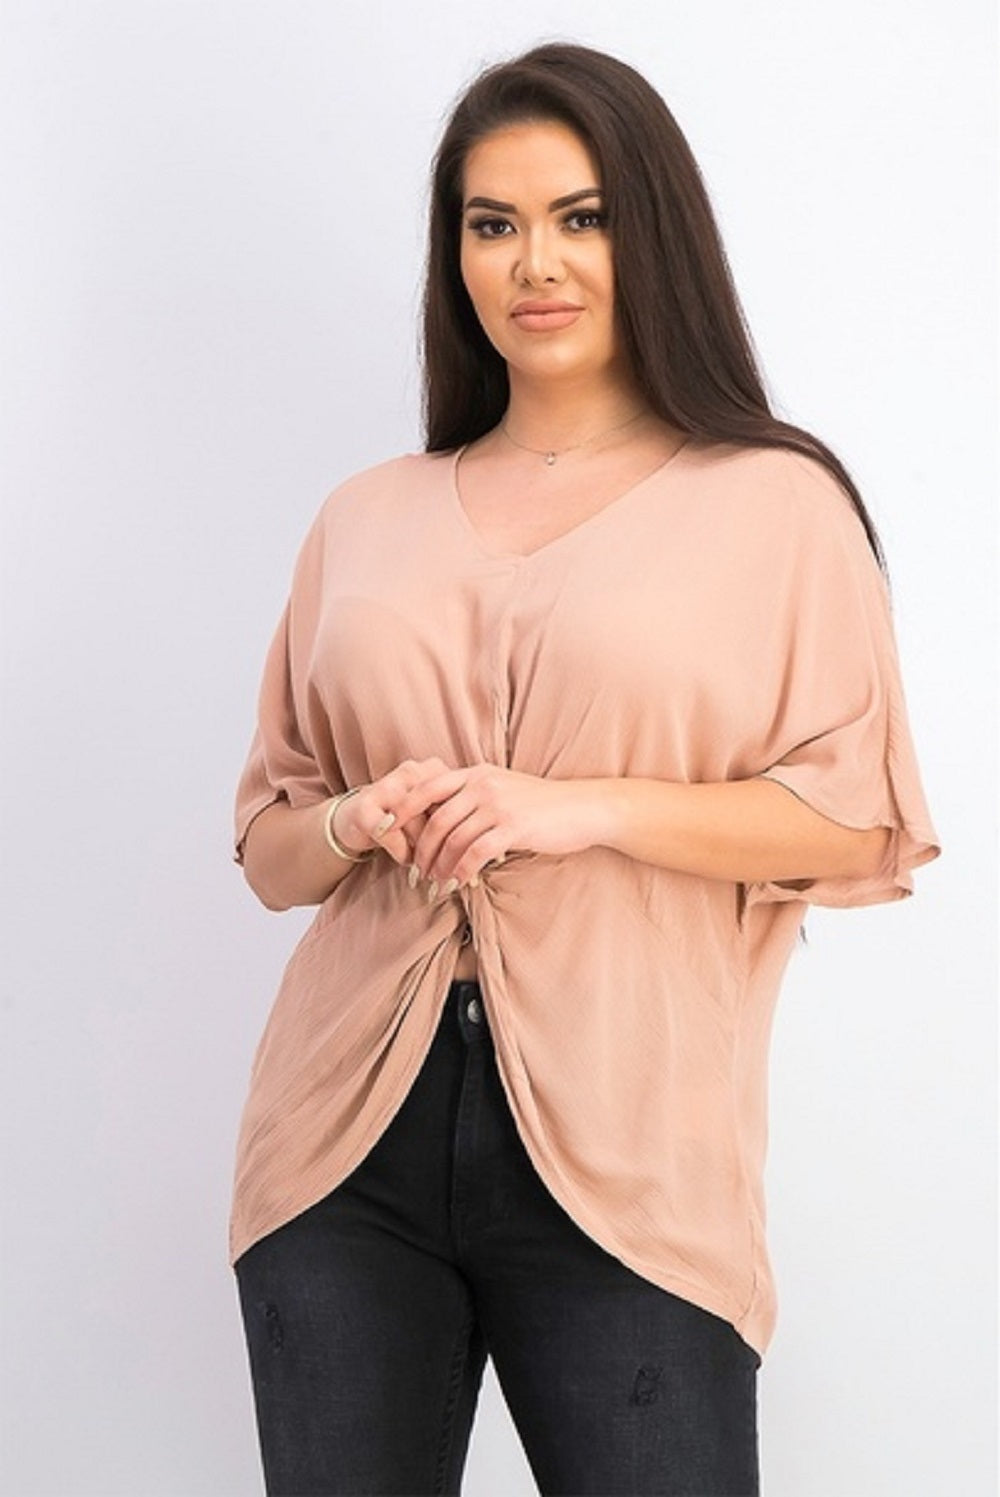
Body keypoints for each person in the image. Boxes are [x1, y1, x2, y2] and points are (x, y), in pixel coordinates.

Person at [229, 41, 939, 1497]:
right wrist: (358, 817)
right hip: (339, 1144)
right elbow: (269, 848)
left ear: (650, 231)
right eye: (492, 223)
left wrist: (578, 808)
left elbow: (851, 818)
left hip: (631, 1156)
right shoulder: (364, 516)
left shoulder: (775, 501)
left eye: (583, 216)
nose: (534, 263)